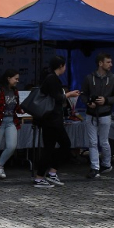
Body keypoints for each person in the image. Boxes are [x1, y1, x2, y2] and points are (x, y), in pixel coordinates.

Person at [33, 56, 80, 188]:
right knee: (64, 145)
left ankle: (44, 175)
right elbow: (57, 97)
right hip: (52, 119)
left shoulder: (50, 77)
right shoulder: (52, 78)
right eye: (64, 66)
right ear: (61, 66)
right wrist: (69, 95)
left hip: (50, 119)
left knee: (49, 148)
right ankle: (46, 174)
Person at [82, 53, 114, 179]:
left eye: (110, 62)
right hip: (91, 114)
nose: (111, 64)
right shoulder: (89, 78)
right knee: (93, 142)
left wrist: (106, 100)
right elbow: (83, 94)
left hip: (105, 113)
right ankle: (95, 167)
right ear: (100, 63)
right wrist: (89, 102)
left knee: (104, 141)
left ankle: (106, 164)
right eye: (108, 62)